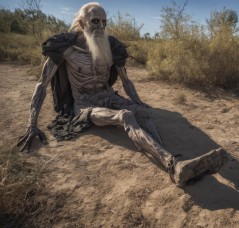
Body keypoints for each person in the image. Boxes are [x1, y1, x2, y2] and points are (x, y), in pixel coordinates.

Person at [17, 2, 227, 187]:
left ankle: (164, 153)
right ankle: (173, 167)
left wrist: (139, 102)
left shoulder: (110, 48)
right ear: (81, 23)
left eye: (104, 22)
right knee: (125, 116)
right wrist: (31, 124)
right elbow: (40, 85)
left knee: (141, 113)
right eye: (95, 21)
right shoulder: (64, 49)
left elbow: (126, 81)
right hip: (85, 105)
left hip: (109, 96)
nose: (100, 27)